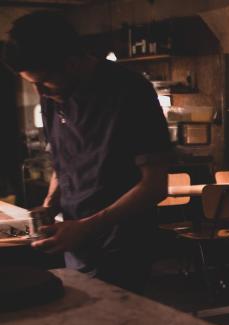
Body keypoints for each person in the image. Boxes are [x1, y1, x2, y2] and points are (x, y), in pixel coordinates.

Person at [1, 11, 172, 292]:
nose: (39, 92)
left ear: (71, 63)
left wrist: (87, 227)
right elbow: (63, 160)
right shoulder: (53, 97)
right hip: (77, 241)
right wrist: (50, 204)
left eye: (43, 81)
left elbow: (154, 186)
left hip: (122, 244)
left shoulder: (129, 91)